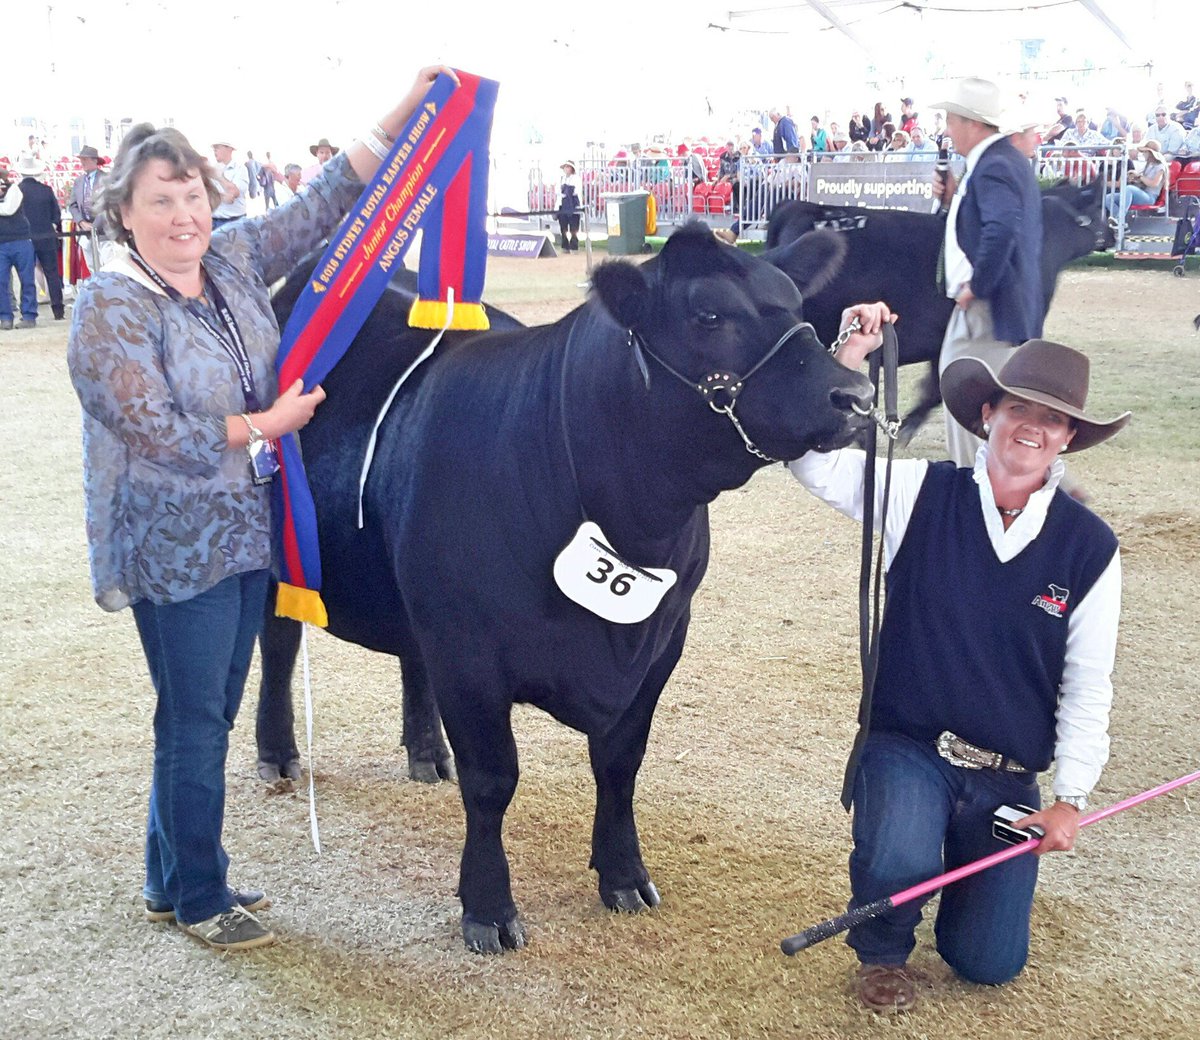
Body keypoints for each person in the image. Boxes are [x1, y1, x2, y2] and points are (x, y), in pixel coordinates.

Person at [66, 64, 458, 953]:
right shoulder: (107, 306)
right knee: (198, 718)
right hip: (174, 545)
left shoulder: (232, 262)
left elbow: (323, 202)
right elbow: (154, 429)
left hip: (248, 535)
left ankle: (171, 879)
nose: (184, 216)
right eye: (163, 200)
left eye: (194, 195)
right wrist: (266, 425)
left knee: (197, 713)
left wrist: (403, 111)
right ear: (125, 211)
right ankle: (203, 897)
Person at [789, 313, 1129, 1014]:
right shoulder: (921, 492)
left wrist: (1070, 796)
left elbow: (1088, 679)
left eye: (1052, 420)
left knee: (988, 964)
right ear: (987, 414)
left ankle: (967, 904)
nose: (1031, 428)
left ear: (1069, 438)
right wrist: (849, 361)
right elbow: (814, 463)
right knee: (898, 858)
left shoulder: (1090, 547)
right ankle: (883, 952)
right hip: (909, 746)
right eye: (1018, 410)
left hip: (1006, 775)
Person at [932, 77, 1044, 466]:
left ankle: (973, 479)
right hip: (995, 303)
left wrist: (977, 286)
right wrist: (951, 199)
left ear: (971, 123)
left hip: (989, 305)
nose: (948, 129)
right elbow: (990, 225)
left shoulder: (994, 165)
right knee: (993, 400)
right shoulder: (996, 162)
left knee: (963, 391)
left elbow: (1002, 230)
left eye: (951, 120)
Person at [14, 155, 65, 320]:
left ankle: (28, 311)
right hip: (46, 236)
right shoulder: (46, 190)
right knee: (52, 273)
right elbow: (56, 216)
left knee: (26, 274)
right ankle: (58, 309)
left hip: (25, 237)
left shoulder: (17, 191)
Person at [0, 167, 39, 330]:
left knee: (27, 280)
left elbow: (8, 209)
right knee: (1, 282)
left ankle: (28, 315)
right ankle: (5, 317)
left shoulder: (14, 189)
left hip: (20, 240)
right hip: (6, 241)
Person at [1103, 140, 1167, 228]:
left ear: (1150, 153)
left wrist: (1139, 176)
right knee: (1108, 198)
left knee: (1129, 188)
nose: (1143, 154)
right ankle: (1121, 223)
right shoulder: (1148, 165)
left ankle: (1119, 219)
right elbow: (1144, 182)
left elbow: (1154, 183)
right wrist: (1134, 179)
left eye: (1145, 152)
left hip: (1150, 197)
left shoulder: (1160, 167)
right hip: (1142, 193)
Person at [69, 145, 108, 270]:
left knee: (107, 267)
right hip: (85, 232)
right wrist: (81, 221)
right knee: (92, 267)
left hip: (104, 233)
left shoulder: (106, 179)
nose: (82, 163)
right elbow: (73, 205)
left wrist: (95, 226)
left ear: (95, 161)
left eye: (85, 160)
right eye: (81, 160)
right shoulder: (78, 181)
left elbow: (107, 205)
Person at [210, 140, 249, 227]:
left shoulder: (240, 169)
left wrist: (220, 177)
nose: (214, 150)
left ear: (229, 149)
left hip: (235, 222)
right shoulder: (211, 169)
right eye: (214, 148)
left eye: (217, 147)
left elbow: (234, 192)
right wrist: (222, 196)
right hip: (213, 222)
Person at [556, 158, 581, 252]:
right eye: (565, 167)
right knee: (563, 226)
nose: (566, 169)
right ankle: (565, 245)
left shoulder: (576, 179)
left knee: (574, 227)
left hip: (573, 204)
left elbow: (576, 192)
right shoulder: (561, 179)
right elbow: (558, 192)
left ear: (571, 169)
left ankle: (574, 246)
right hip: (562, 204)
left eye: (568, 167)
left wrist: (568, 191)